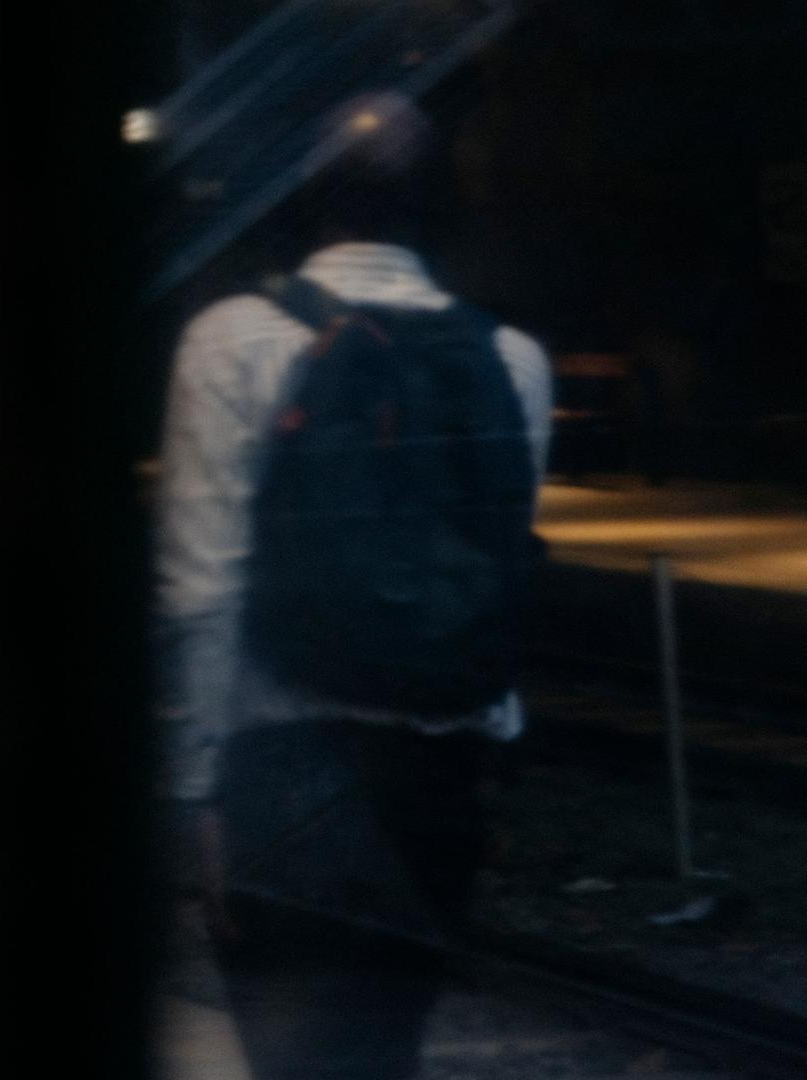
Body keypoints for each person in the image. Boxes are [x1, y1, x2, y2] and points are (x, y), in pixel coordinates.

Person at [155, 93, 553, 1078]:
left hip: (280, 772)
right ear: (435, 203)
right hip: (440, 770)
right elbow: (503, 568)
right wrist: (493, 754)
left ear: (303, 197)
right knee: (389, 1053)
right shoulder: (510, 358)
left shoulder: (231, 341)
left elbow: (201, 588)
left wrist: (193, 792)